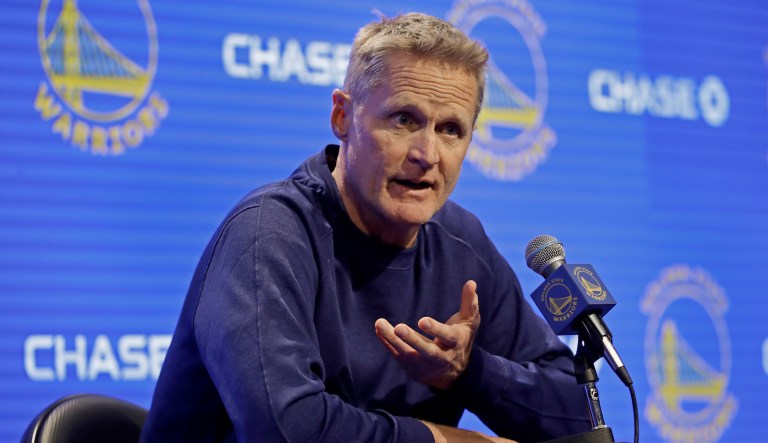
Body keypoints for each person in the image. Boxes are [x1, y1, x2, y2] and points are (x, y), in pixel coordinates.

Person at [142, 12, 591, 443]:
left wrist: (470, 372)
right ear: (342, 117)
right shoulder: (268, 235)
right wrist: (438, 439)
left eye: (451, 129)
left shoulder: (460, 243)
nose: (427, 154)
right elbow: (283, 430)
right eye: (403, 120)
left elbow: (578, 416)